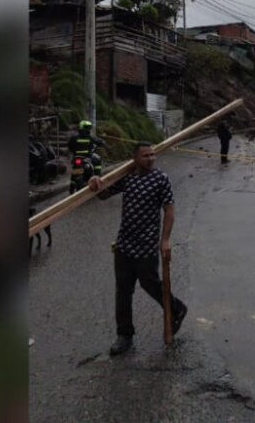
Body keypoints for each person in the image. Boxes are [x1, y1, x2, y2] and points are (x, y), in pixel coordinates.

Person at [88, 142, 187, 355]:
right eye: (145, 156)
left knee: (150, 284)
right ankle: (124, 335)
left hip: (147, 246)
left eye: (153, 154)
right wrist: (95, 182)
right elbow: (103, 194)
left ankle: (176, 308)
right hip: (124, 244)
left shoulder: (161, 179)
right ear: (135, 159)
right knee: (123, 291)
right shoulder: (128, 177)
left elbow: (169, 210)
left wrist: (165, 240)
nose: (151, 158)